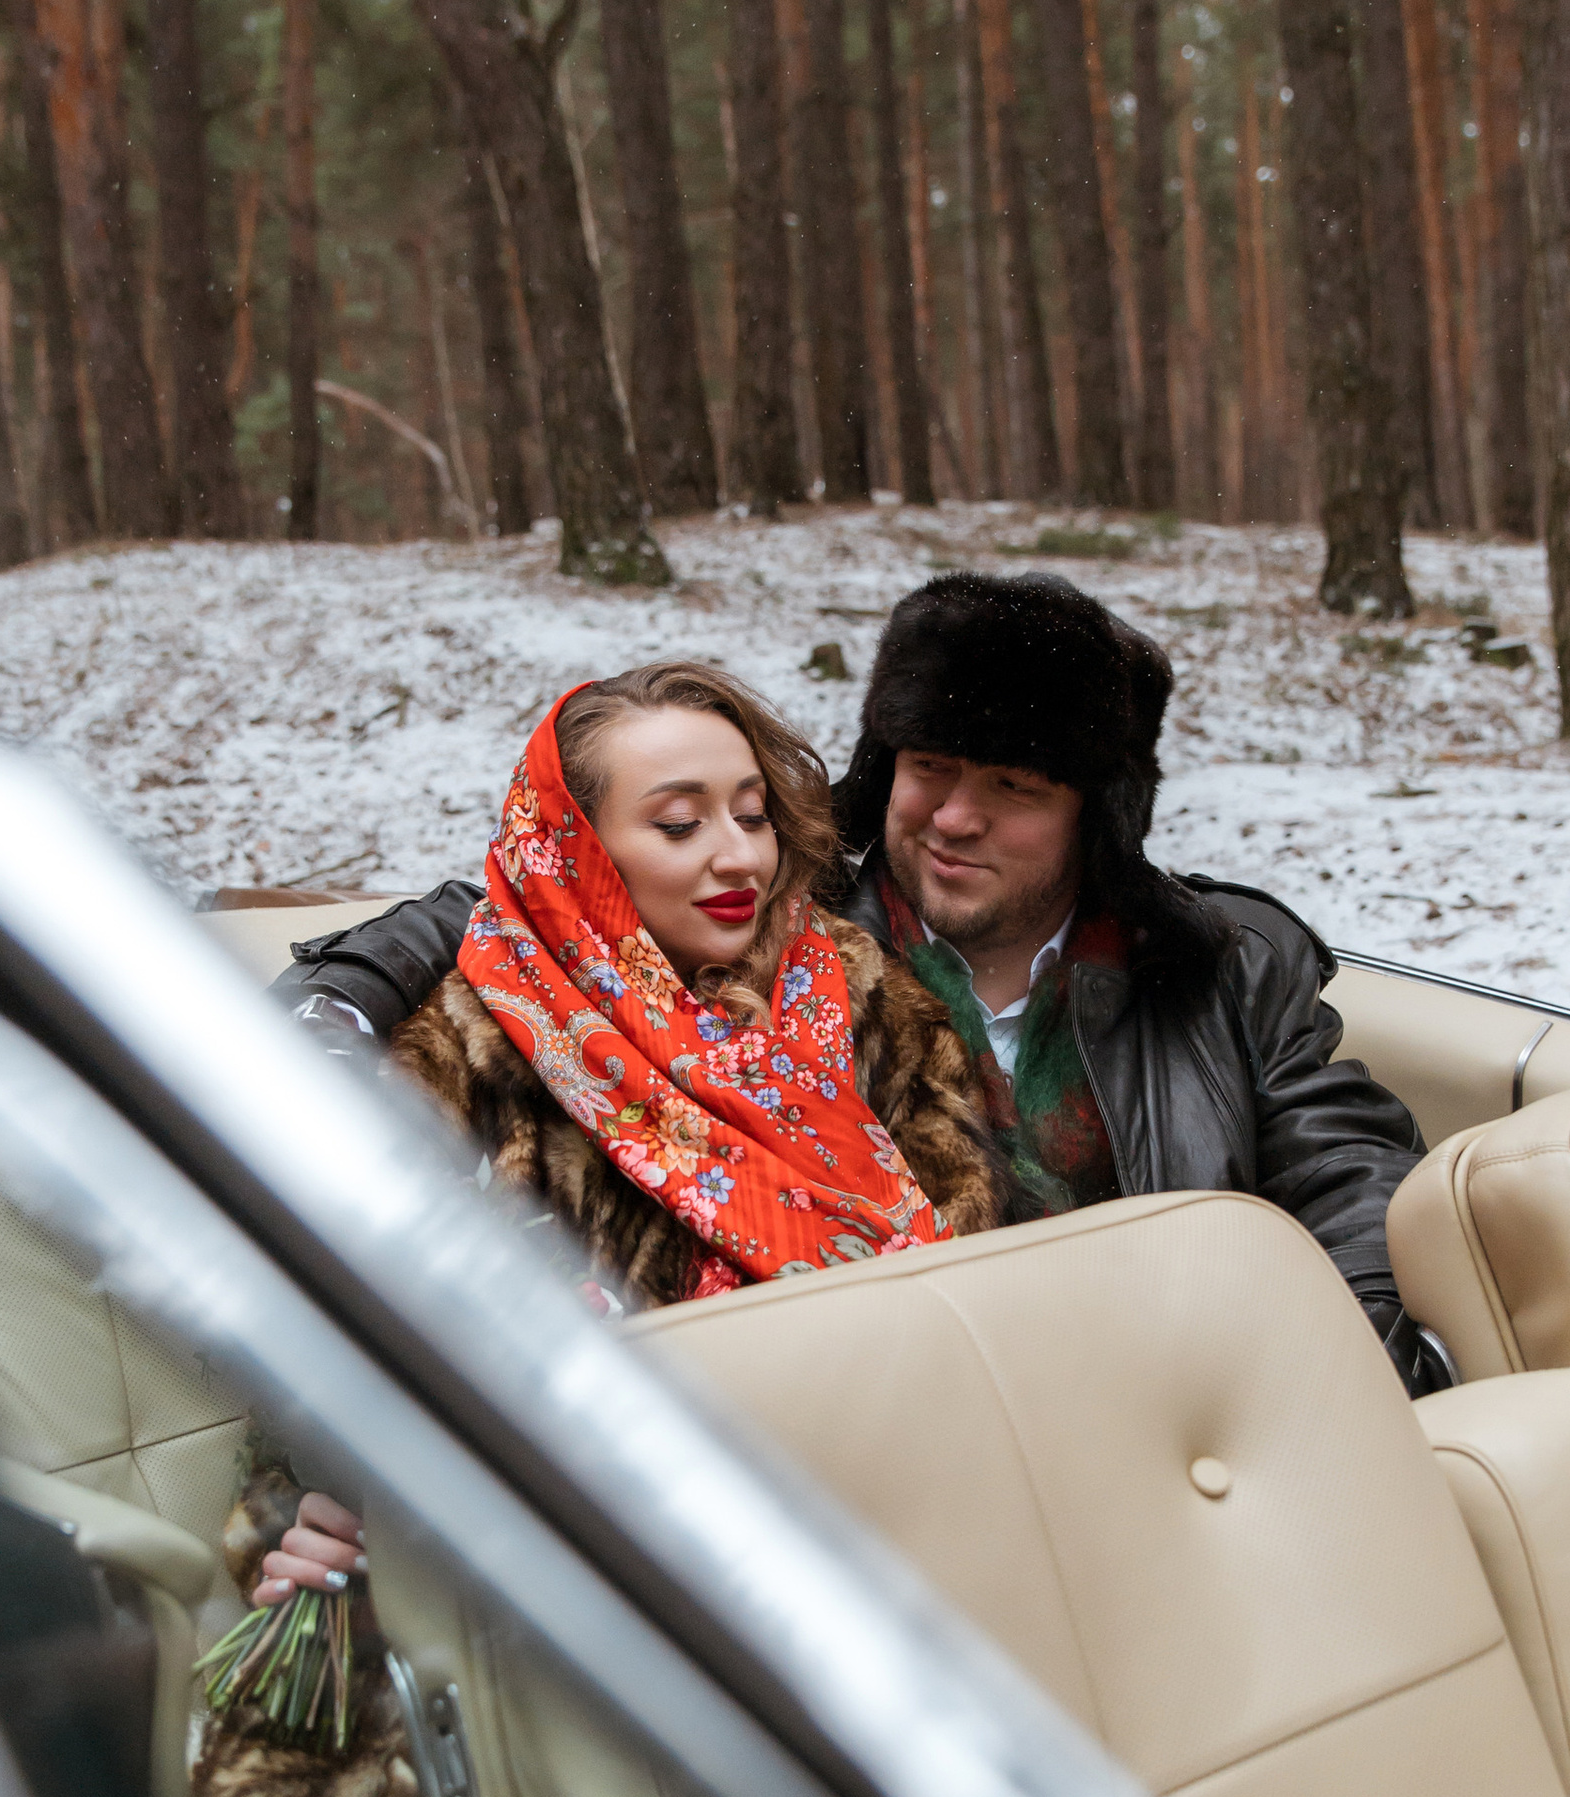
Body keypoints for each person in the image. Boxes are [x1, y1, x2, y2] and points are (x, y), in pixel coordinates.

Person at [275, 573, 1449, 1396]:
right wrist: (333, 1010)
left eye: (1013, 786)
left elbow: (1348, 1177)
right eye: (929, 768)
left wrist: (1345, 1388)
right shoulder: (784, 923)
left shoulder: (1219, 967)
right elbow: (520, 897)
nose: (952, 817)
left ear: (1096, 815)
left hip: (1169, 1409)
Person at [249, 655, 1006, 1606]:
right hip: (612, 1572)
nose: (738, 856)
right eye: (681, 824)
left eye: (753, 813)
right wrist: (316, 1501)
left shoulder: (858, 992)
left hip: (914, 1508)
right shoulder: (473, 1041)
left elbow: (980, 1263)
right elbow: (344, 1319)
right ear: (578, 849)